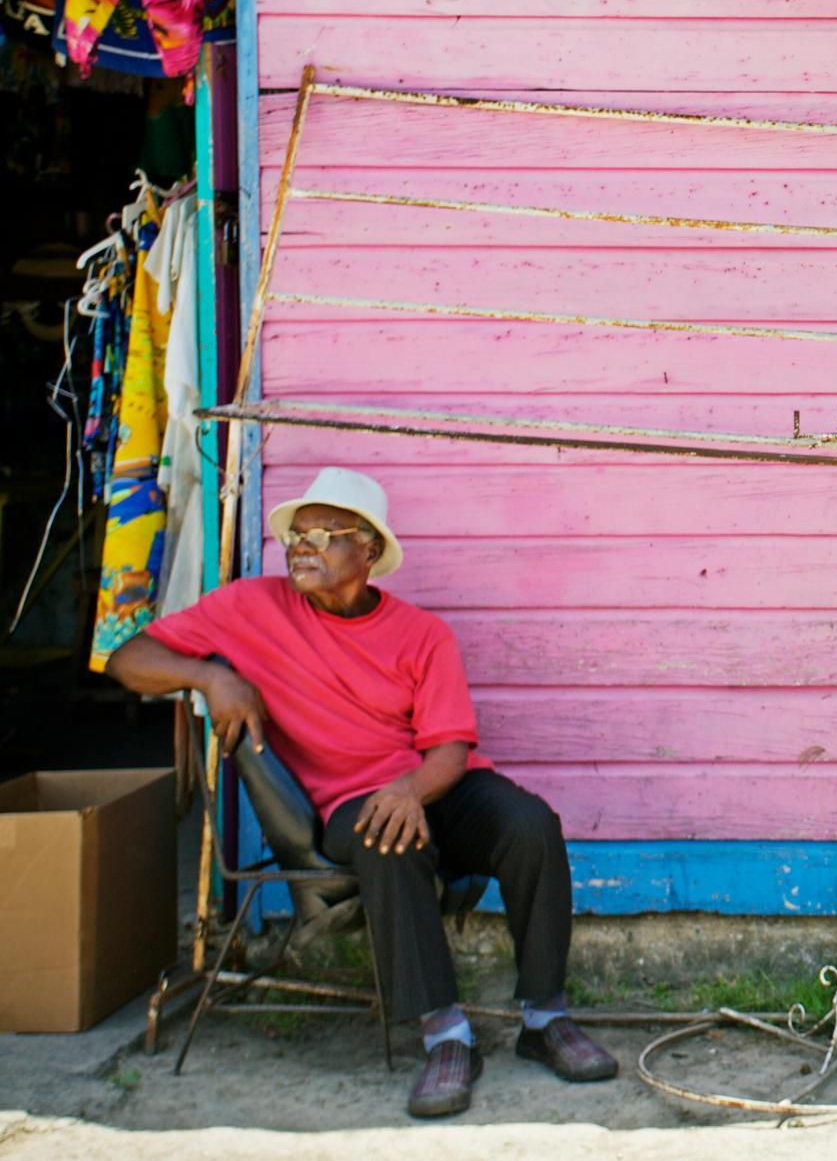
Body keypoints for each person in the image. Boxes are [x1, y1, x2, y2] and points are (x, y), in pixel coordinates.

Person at [104, 466, 614, 1119]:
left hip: (429, 782)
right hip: (347, 803)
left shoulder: (422, 633)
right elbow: (127, 659)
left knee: (530, 823)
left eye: (326, 534)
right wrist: (208, 676)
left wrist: (408, 788)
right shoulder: (249, 608)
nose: (302, 546)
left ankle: (546, 1019)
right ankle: (447, 1035)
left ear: (370, 551)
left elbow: (450, 750)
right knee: (386, 832)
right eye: (297, 534)